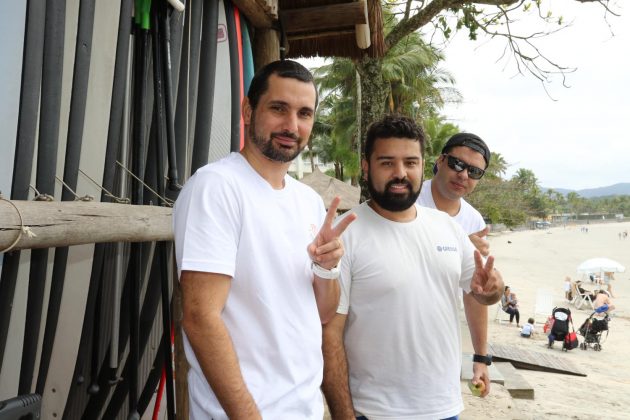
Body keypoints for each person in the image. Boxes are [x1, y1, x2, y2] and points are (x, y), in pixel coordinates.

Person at [173, 60, 356, 419]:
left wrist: (326, 268)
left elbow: (320, 313)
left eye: (304, 113)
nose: (292, 125)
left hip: (304, 408)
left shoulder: (307, 201)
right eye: (278, 108)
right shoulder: (217, 187)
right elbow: (199, 317)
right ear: (247, 110)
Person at [321, 115, 504, 420]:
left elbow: (482, 294)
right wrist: (344, 414)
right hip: (374, 411)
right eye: (387, 162)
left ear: (423, 165)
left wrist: (493, 289)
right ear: (366, 166)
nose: (400, 173)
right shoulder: (346, 234)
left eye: (410, 162)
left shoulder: (448, 228)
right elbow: (330, 335)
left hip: (444, 408)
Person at [417, 132, 491, 256]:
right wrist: (462, 247)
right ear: (440, 161)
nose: (463, 175)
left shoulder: (475, 221)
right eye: (457, 163)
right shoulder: (409, 201)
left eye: (475, 171)